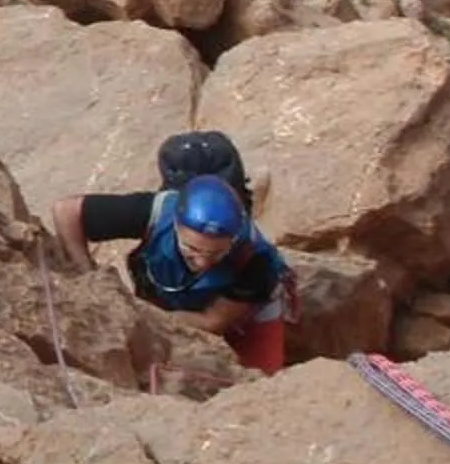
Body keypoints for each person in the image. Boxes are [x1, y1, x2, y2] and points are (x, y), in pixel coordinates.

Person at [48, 136, 294, 376]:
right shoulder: (156, 213)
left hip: (243, 315)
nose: (202, 262)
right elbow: (66, 211)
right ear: (176, 223)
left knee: (259, 380)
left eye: (216, 253)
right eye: (192, 250)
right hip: (170, 292)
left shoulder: (255, 259)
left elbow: (212, 322)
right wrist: (85, 272)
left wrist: (135, 313)